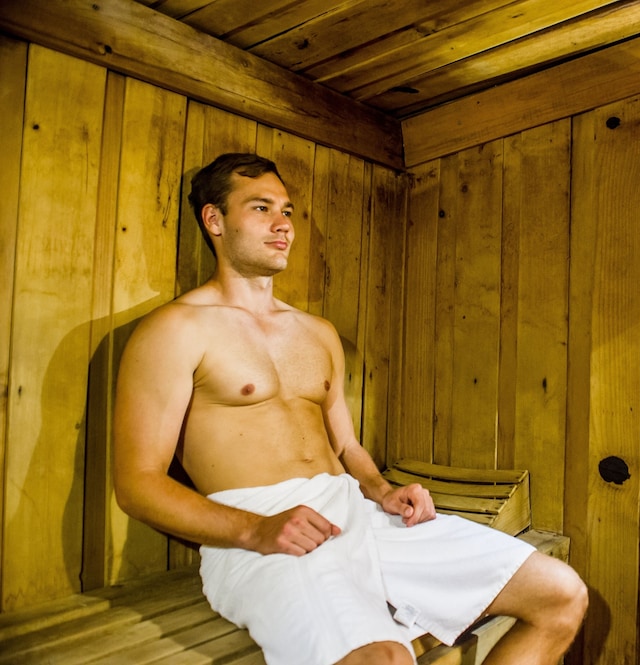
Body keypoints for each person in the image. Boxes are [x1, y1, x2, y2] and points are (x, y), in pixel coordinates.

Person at [113, 153, 588, 665]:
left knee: (560, 594)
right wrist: (254, 529)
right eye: (261, 208)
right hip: (261, 530)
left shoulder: (317, 333)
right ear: (214, 220)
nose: (283, 224)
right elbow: (138, 484)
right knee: (383, 659)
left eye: (287, 211)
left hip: (355, 513)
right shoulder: (175, 330)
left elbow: (345, 445)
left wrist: (384, 491)